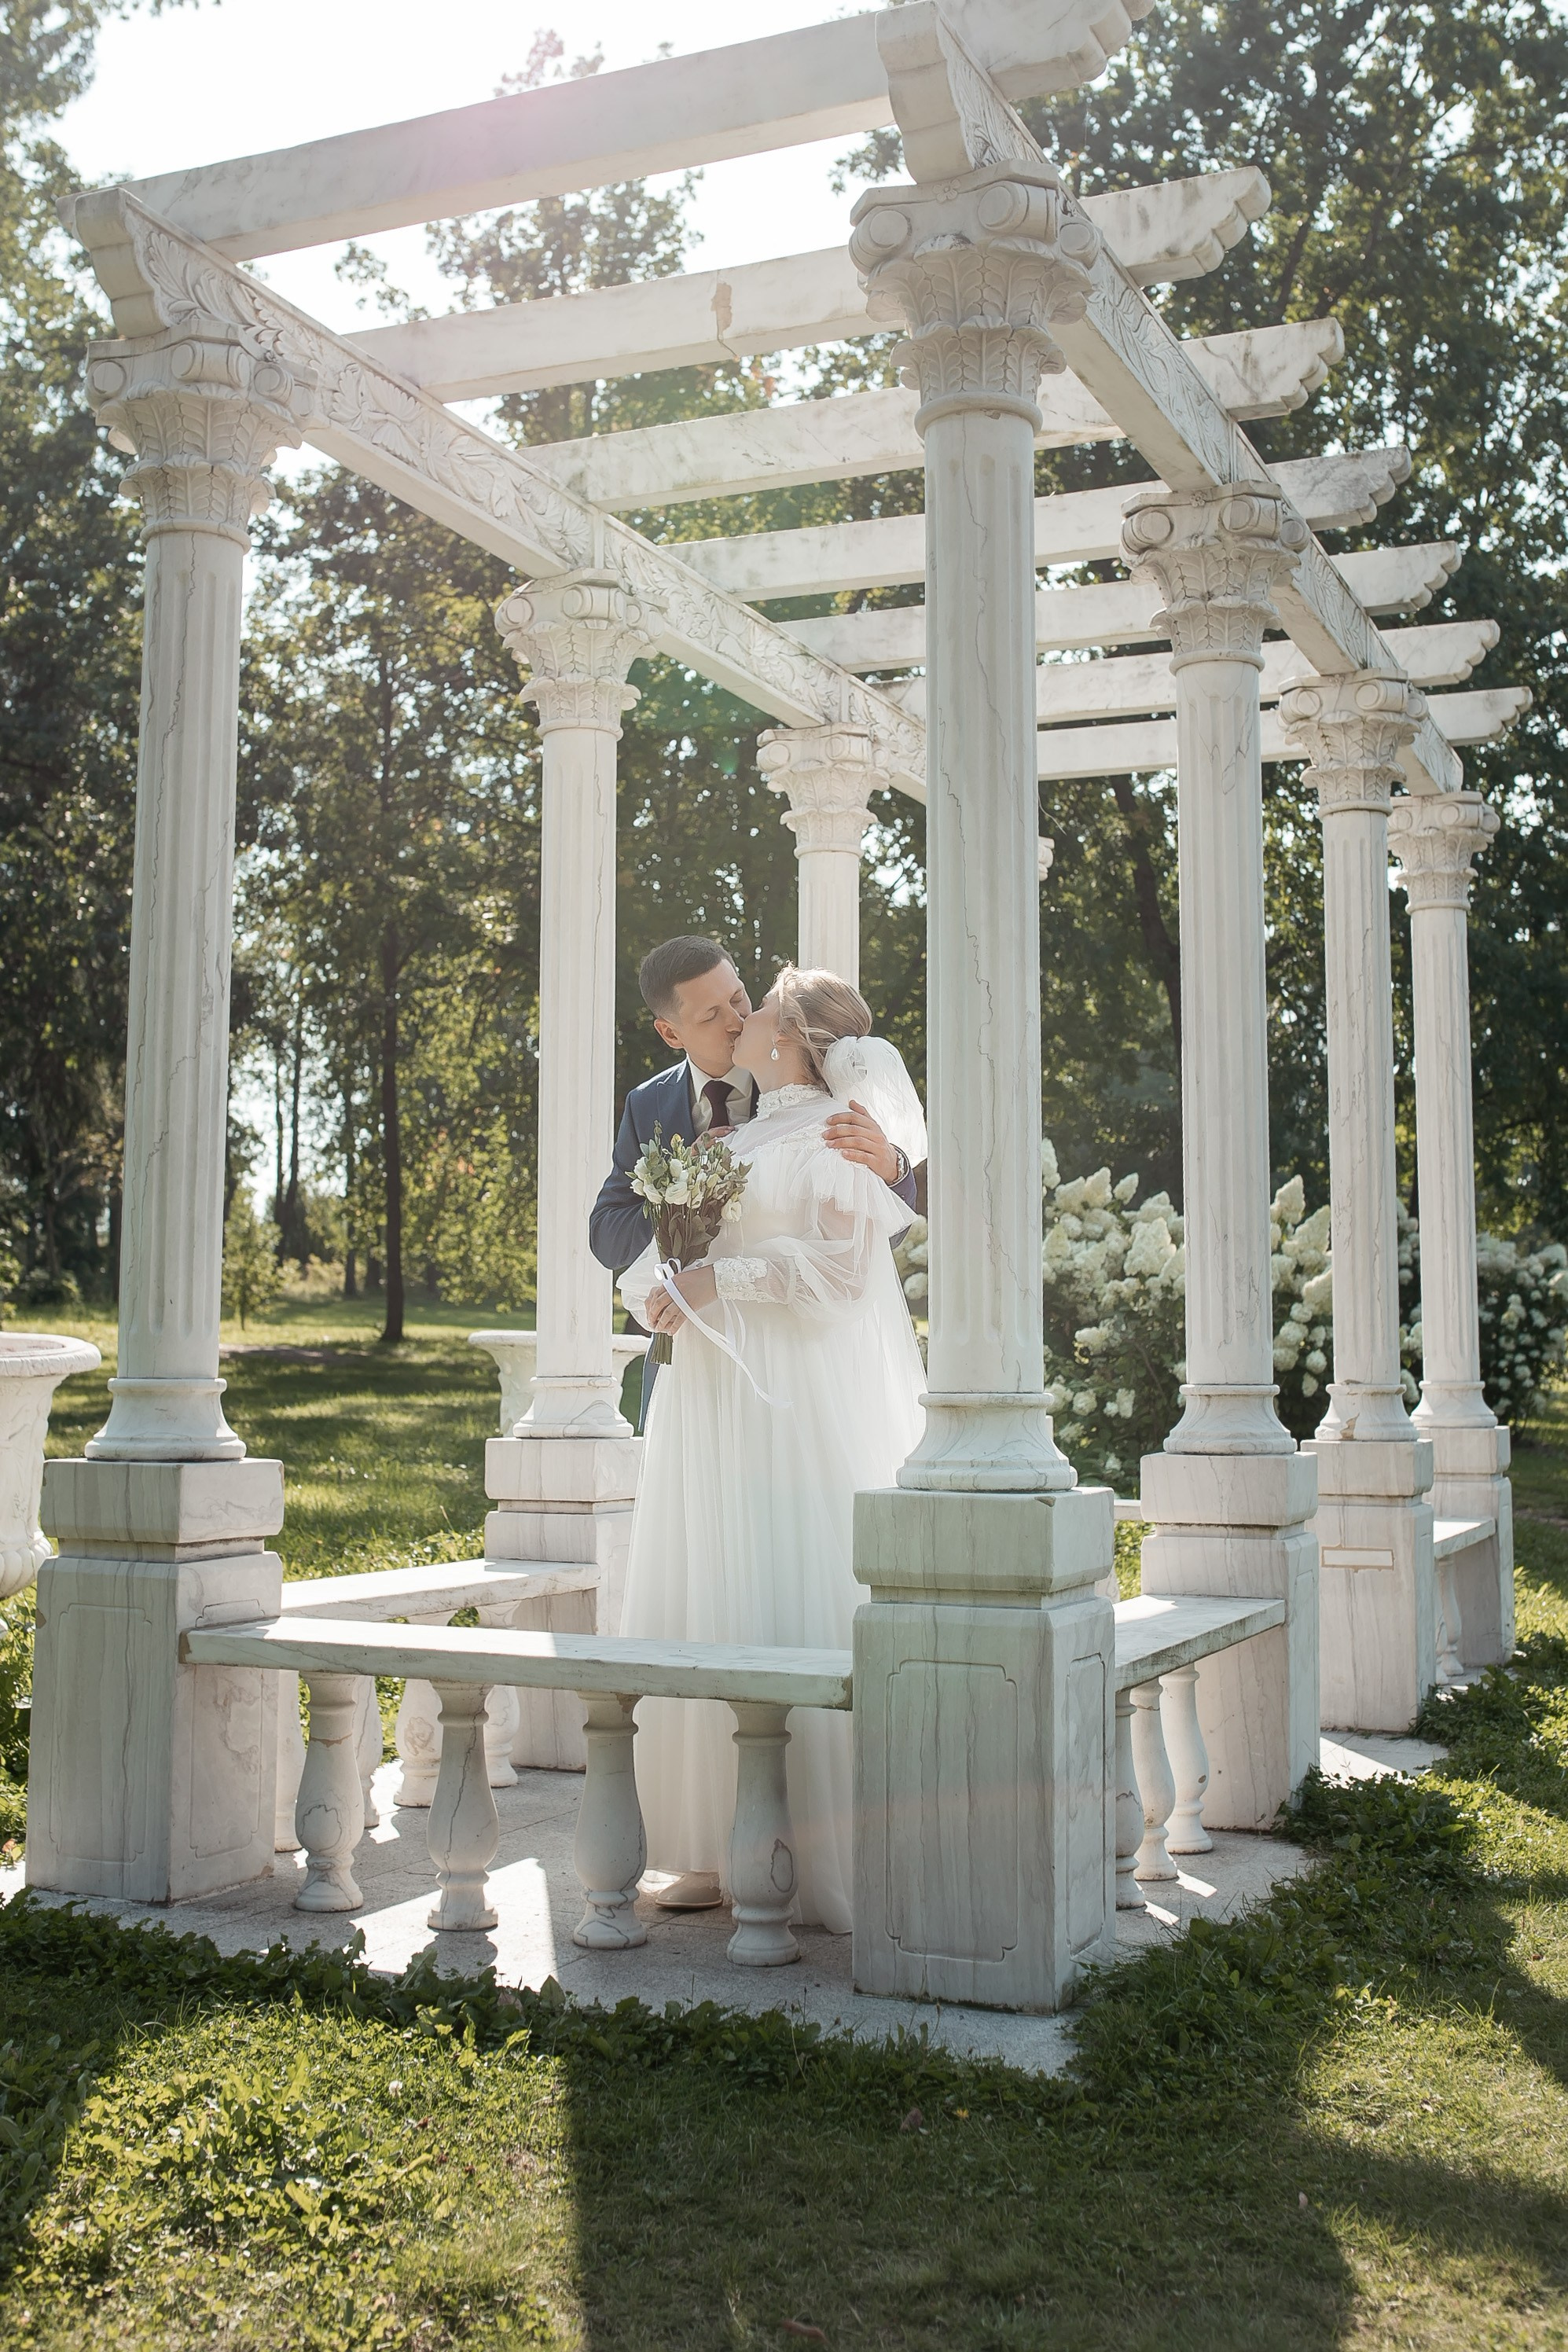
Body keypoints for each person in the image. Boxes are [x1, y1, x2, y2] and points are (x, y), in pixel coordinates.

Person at [615, 966, 927, 1926]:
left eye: (761, 1007)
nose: (743, 1015)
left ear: (789, 1039)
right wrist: (671, 1284)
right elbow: (690, 1244)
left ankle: (813, 1844)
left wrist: (719, 1282)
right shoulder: (734, 1136)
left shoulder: (840, 1136)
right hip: (710, 1396)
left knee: (791, 1580)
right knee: (714, 1583)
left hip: (790, 1399)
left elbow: (841, 1275)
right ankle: (713, 1841)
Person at [590, 935, 917, 1425]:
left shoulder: (828, 1102)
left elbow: (860, 1251)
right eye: (710, 1015)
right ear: (671, 1033)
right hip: (694, 1375)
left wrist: (892, 1170)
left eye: (740, 997)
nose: (736, 1020)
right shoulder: (648, 1104)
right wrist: (681, 1191)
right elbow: (607, 1237)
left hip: (792, 1371)